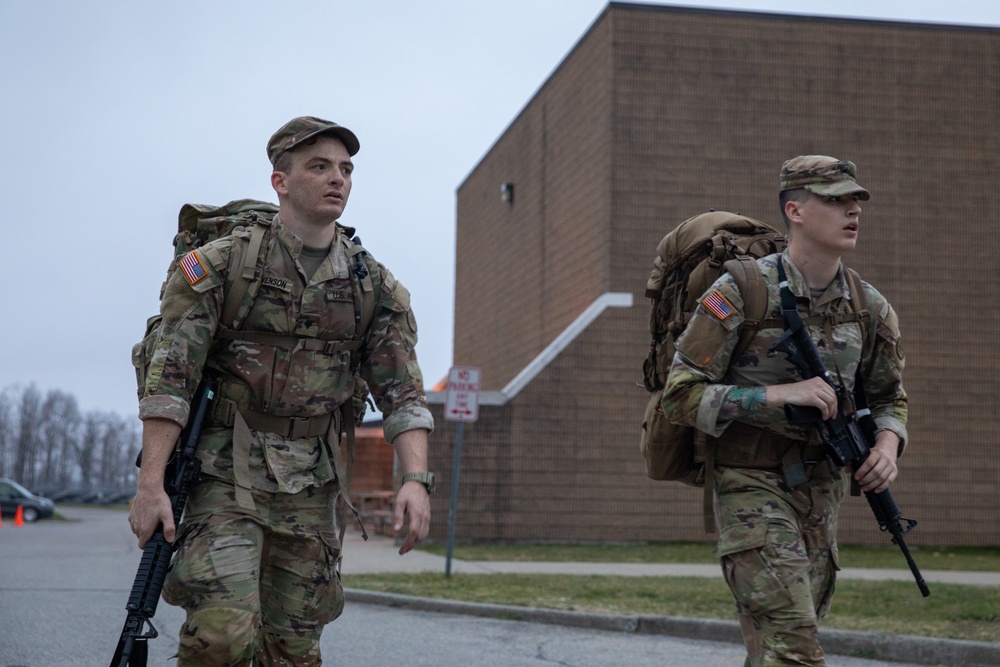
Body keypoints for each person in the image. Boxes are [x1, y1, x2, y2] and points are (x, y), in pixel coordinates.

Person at [128, 116, 436, 666]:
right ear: (281, 181)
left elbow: (404, 392)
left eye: (345, 169)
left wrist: (416, 480)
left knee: (292, 649)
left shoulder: (372, 285)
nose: (336, 179)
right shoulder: (224, 265)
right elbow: (170, 380)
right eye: (319, 167)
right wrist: (151, 483)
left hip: (313, 484)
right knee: (222, 634)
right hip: (224, 471)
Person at [662, 155, 907, 666]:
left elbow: (888, 398)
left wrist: (887, 444)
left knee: (773, 649)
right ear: (795, 209)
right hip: (751, 487)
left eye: (855, 199)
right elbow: (679, 394)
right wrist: (775, 396)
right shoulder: (740, 291)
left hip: (823, 493)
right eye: (835, 199)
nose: (852, 210)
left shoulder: (869, 306)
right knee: (796, 644)